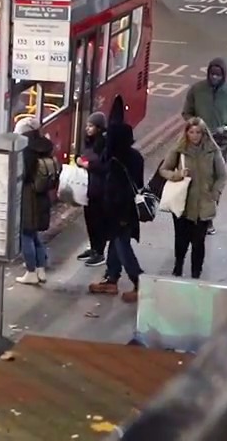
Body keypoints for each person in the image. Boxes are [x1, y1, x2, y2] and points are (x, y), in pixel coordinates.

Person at [89, 96, 145, 303]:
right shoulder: (135, 157)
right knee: (116, 243)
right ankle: (112, 279)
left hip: (119, 211)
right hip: (126, 210)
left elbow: (113, 186)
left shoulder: (116, 160)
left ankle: (140, 281)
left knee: (122, 246)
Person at [182, 58, 227, 234]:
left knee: (213, 182)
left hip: (220, 145)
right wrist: (195, 125)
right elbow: (186, 112)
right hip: (197, 144)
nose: (214, 77)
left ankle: (207, 219)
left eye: (218, 75)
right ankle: (192, 216)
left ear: (224, 75)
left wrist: (226, 127)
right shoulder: (197, 90)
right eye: (211, 74)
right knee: (194, 181)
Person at [159, 117, 227, 279]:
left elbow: (222, 176)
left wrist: (215, 193)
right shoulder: (179, 150)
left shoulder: (212, 150)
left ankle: (196, 273)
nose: (195, 136)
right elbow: (164, 169)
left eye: (198, 132)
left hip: (204, 205)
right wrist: (177, 175)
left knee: (198, 243)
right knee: (181, 241)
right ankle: (178, 267)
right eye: (191, 132)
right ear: (186, 133)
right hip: (183, 204)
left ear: (204, 133)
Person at [14, 117, 58, 285]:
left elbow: (24, 174)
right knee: (35, 235)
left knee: (25, 233)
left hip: (28, 196)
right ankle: (41, 269)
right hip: (42, 195)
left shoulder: (27, 149)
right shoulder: (45, 146)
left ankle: (31, 271)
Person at [77, 112, 109, 267]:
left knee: (98, 221)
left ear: (98, 127)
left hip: (99, 189)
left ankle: (99, 252)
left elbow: (104, 165)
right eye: (87, 126)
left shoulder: (105, 143)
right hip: (87, 187)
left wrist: (86, 165)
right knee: (89, 219)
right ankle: (93, 247)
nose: (87, 129)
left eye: (91, 126)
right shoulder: (89, 142)